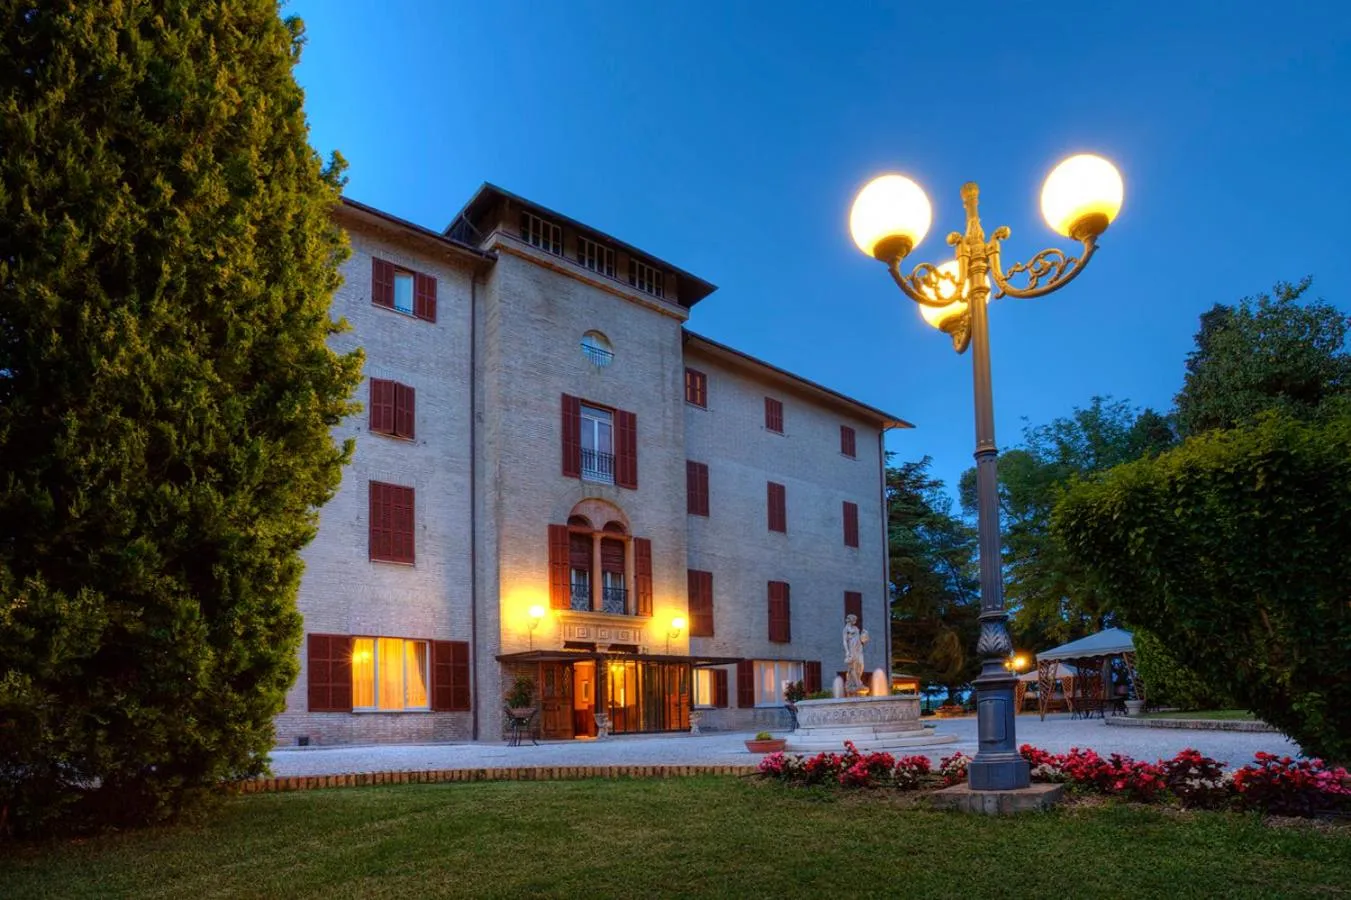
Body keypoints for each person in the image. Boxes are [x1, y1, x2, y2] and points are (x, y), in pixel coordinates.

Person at [843, 614, 869, 695]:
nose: (855, 621)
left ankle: (858, 681)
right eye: (854, 619)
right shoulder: (846, 629)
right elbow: (844, 641)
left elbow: (861, 639)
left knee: (861, 665)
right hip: (852, 648)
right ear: (851, 619)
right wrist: (847, 651)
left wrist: (865, 635)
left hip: (859, 648)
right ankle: (856, 684)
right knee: (852, 666)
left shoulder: (856, 628)